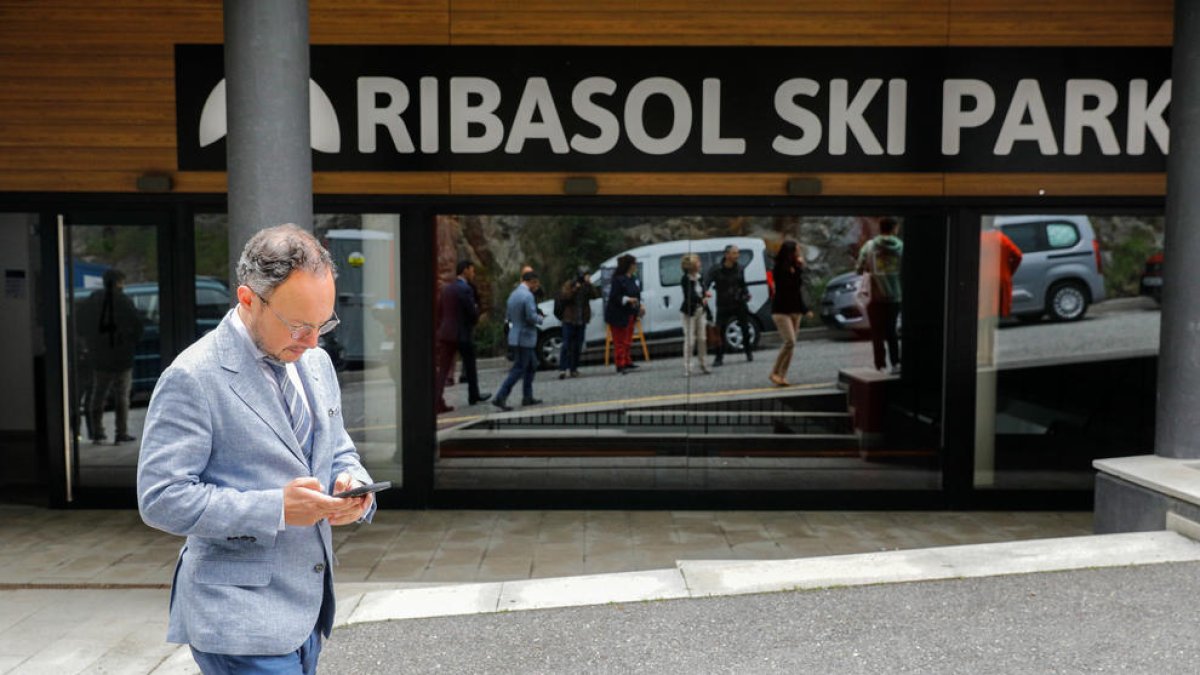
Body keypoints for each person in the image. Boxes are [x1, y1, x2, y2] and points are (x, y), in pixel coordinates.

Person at [137, 224, 376, 674]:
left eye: (323, 324)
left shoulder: (316, 362)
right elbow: (160, 499)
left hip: (307, 613)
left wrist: (354, 487)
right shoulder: (192, 376)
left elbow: (338, 449)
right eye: (300, 325)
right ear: (248, 300)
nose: (313, 341)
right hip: (237, 619)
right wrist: (277, 509)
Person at [78, 268, 143, 444]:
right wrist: (130, 340)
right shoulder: (124, 301)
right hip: (122, 355)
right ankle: (121, 432)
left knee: (98, 394)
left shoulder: (93, 300)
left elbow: (80, 322)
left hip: (99, 355)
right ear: (118, 282)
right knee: (122, 395)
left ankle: (97, 432)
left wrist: (90, 343)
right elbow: (137, 325)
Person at [435, 260, 490, 413]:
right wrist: (477, 313)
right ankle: (474, 395)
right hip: (462, 333)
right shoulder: (465, 289)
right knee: (470, 366)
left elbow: (439, 312)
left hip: (446, 333)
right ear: (465, 270)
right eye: (472, 270)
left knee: (443, 369)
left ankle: (437, 400)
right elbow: (471, 312)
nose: (473, 274)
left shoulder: (447, 289)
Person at [857, 218, 904, 374]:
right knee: (891, 331)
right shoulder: (901, 247)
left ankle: (880, 365)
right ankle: (896, 363)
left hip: (875, 297)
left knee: (877, 333)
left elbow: (859, 268)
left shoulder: (869, 247)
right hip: (895, 296)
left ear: (880, 228)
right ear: (895, 228)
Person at [492, 270, 544, 411]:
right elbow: (531, 317)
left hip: (516, 335)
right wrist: (541, 319)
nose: (537, 287)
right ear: (532, 281)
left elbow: (508, 316)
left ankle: (527, 396)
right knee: (519, 368)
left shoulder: (513, 294)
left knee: (532, 364)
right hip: (525, 337)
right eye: (536, 284)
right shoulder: (527, 296)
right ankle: (500, 396)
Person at [768, 240, 812, 386]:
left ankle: (782, 375)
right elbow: (786, 288)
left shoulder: (795, 267)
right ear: (790, 253)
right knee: (789, 341)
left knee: (791, 345)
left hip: (795, 310)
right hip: (781, 310)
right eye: (796, 251)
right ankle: (774, 372)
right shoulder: (779, 268)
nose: (799, 253)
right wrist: (797, 270)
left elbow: (797, 290)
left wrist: (805, 309)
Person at [705, 244, 753, 367]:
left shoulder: (740, 269)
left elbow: (743, 284)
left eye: (738, 253)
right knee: (719, 330)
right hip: (723, 303)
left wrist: (746, 293)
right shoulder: (716, 270)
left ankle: (748, 352)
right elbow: (707, 282)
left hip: (739, 302)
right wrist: (705, 292)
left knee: (745, 328)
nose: (737, 256)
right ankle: (719, 357)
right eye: (734, 253)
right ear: (727, 255)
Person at [556, 266, 599, 379]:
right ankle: (562, 369)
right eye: (586, 275)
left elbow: (595, 296)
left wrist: (589, 285)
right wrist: (575, 288)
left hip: (581, 320)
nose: (588, 277)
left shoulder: (587, 286)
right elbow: (565, 297)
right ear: (581, 275)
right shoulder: (570, 284)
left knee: (577, 346)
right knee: (566, 345)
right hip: (569, 319)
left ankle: (573, 369)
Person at [604, 254, 642, 374]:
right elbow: (614, 297)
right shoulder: (618, 279)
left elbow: (637, 293)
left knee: (627, 339)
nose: (635, 266)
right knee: (619, 341)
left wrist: (640, 306)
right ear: (629, 265)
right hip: (618, 314)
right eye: (634, 264)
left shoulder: (632, 278)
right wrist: (628, 299)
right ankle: (620, 364)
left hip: (630, 313)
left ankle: (627, 360)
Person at [679, 253, 712, 376]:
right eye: (698, 262)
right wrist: (701, 299)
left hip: (700, 311)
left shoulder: (700, 277)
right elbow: (689, 295)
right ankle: (688, 367)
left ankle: (704, 364)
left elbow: (702, 291)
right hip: (689, 312)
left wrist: (705, 295)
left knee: (702, 339)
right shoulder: (686, 279)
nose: (700, 264)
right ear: (691, 266)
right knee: (690, 340)